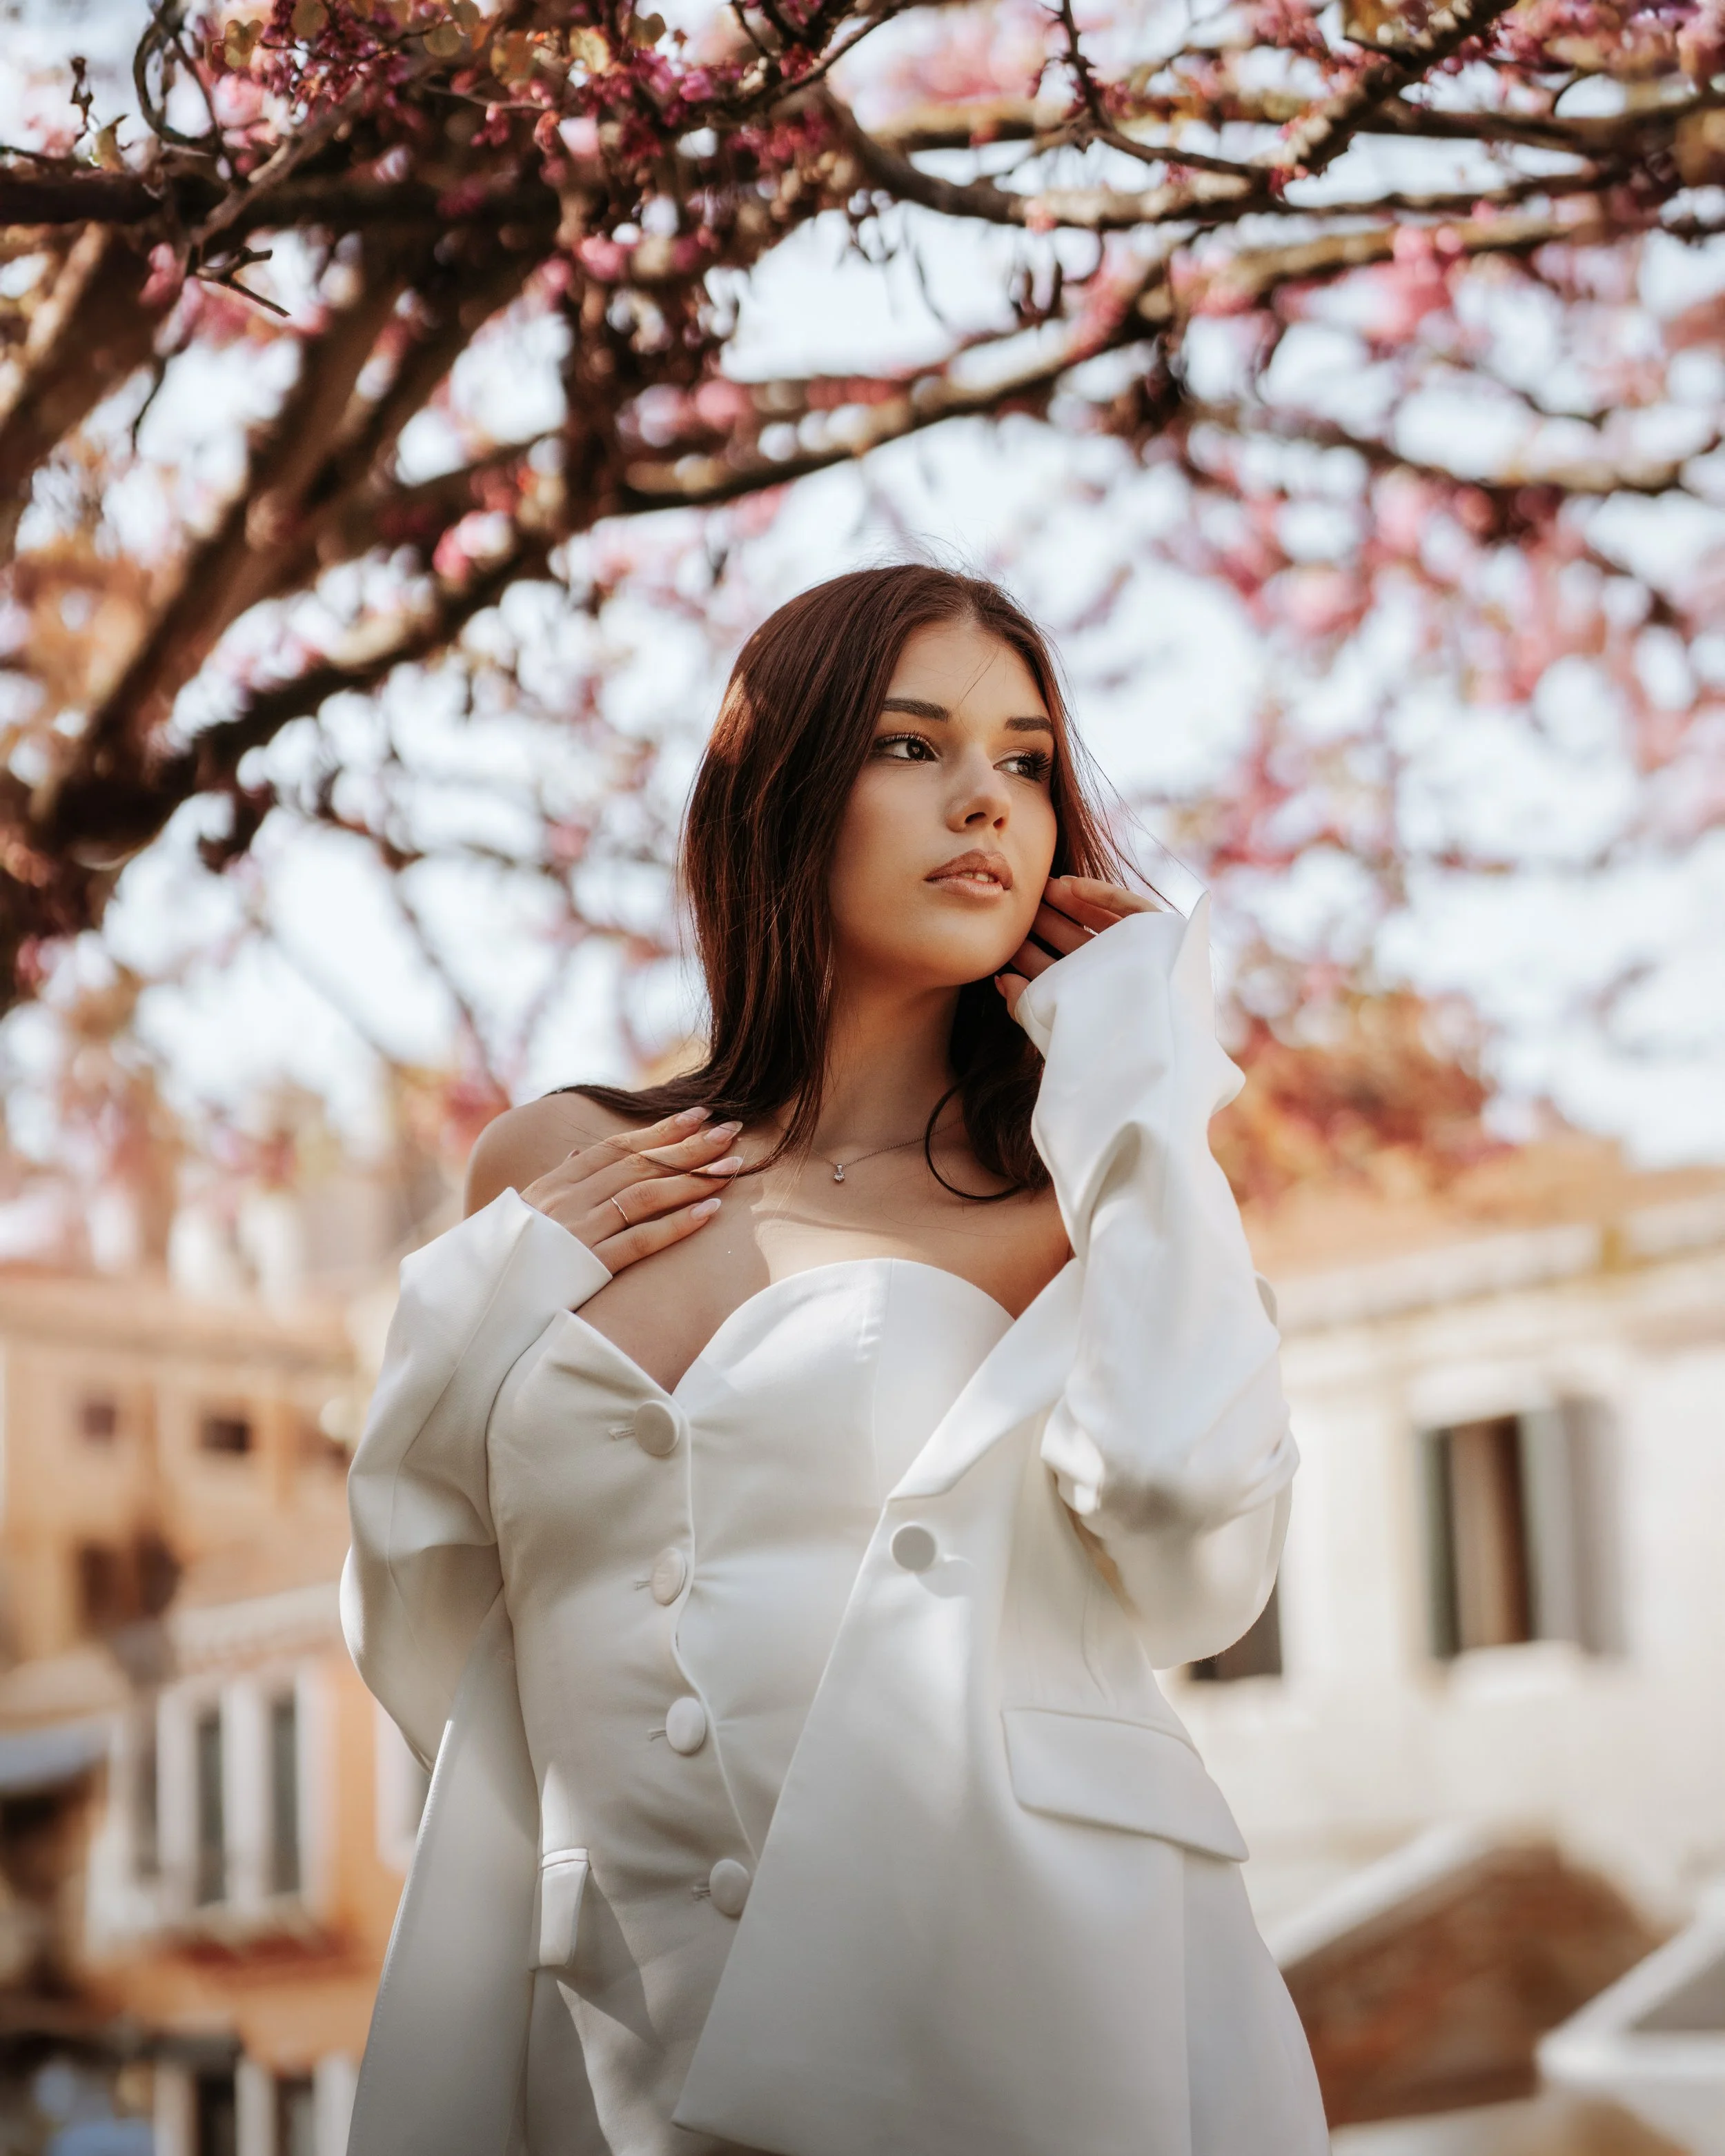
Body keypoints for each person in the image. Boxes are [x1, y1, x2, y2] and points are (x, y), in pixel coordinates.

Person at [341, 564, 1328, 2156]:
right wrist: (501, 1278)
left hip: (1015, 2029)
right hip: (601, 2047)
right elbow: (428, 1607)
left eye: (1023, 761)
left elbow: (1185, 1526)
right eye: (910, 744)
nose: (985, 804)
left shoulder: (1084, 1201)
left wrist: (1137, 1079)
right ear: (778, 787)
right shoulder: (559, 1167)